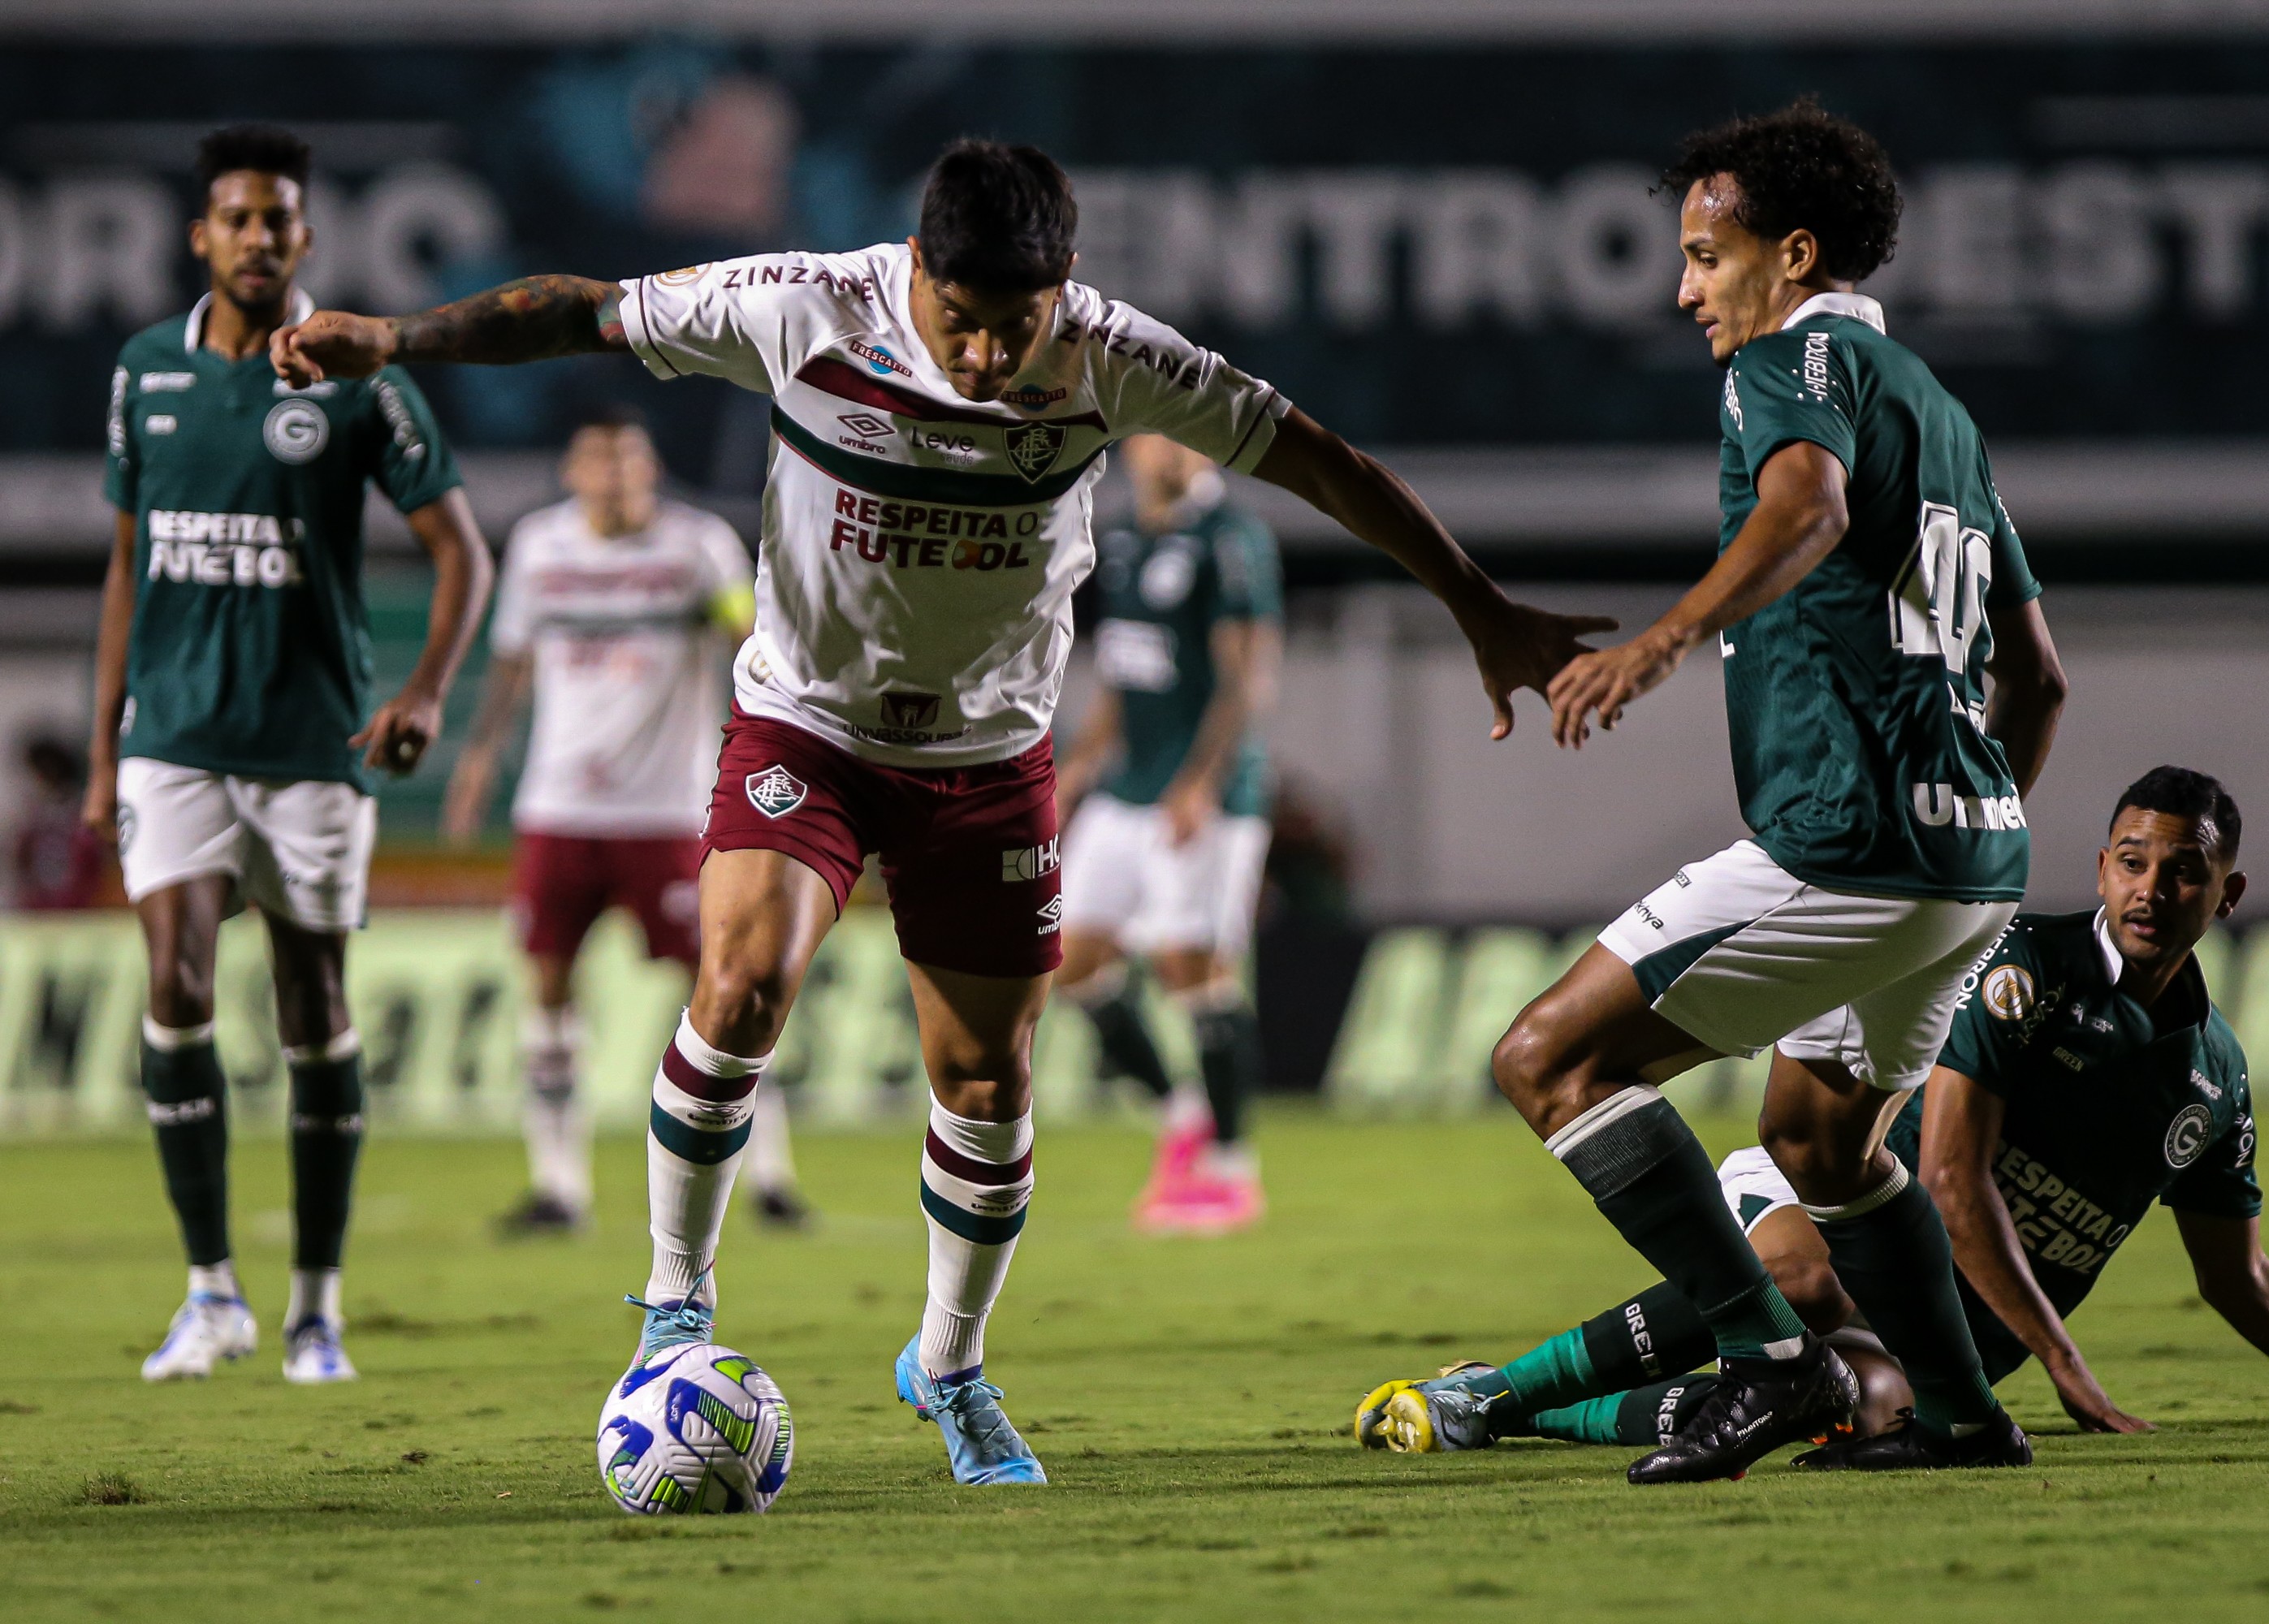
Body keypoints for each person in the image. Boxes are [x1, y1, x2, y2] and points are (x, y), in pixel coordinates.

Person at [273, 138, 1601, 1484]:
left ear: (1065, 288)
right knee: (738, 989)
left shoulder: (1115, 355)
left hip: (988, 755)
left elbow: (1322, 462)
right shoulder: (802, 305)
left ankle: (952, 1369)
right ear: (914, 268)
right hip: (809, 724)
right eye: (958, 322)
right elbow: (579, 310)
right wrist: (393, 336)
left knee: (986, 1079)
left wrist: (1478, 606)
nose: (979, 358)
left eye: (1009, 328)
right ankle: (677, 1302)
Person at [1478, 100, 2072, 1482]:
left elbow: (1801, 510)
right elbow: (2037, 679)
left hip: (1846, 846)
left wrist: (1663, 638)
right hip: (1974, 864)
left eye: (1706, 254)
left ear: (1793, 253)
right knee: (1815, 1138)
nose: (1686, 289)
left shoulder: (1786, 363)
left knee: (1547, 1060)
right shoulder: (1943, 413)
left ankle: (1764, 1360)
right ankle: (1962, 1418)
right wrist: (1973, 834)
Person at [1362, 769, 2269, 1453]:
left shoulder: (2215, 1079)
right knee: (1807, 1281)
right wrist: (2064, 1363)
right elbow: (1951, 1179)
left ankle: (1524, 1414)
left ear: (2227, 894)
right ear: (2101, 869)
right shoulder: (2027, 972)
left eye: (2186, 872)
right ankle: (1494, 1393)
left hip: (1958, 1327)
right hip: (1835, 1203)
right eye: (2132, 862)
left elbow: (2234, 1277)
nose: (2153, 890)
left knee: (1850, 1403)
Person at [86, 125, 491, 1384]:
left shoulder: (359, 379)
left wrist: (426, 691)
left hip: (314, 745)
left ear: (307, 237)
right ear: (201, 236)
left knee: (313, 1007)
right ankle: (212, 1292)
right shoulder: (144, 371)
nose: (259, 237)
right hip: (176, 741)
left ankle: (316, 1306)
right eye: (237, 218)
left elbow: (463, 554)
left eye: (280, 220)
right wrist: (106, 753)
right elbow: (124, 564)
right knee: (179, 982)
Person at [441, 405, 810, 1236]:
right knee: (547, 987)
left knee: (725, 988)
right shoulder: (540, 547)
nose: (615, 475)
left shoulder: (697, 548)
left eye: (629, 460)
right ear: (574, 473)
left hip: (668, 809)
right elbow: (513, 657)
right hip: (559, 804)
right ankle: (559, 1185)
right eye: (599, 461)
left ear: (650, 469)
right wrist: (477, 757)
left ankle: (771, 1175)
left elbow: (750, 638)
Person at [1053, 434, 1281, 1233]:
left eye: (1180, 429)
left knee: (1191, 964)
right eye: (1151, 429)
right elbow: (1126, 669)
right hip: (1127, 788)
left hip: (1206, 794)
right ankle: (1182, 1114)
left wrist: (1201, 781)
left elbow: (1246, 674)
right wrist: (1078, 768)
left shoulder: (1232, 539)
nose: (1165, 446)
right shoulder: (1118, 538)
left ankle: (1231, 1164)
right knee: (1069, 958)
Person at [13, 736, 104, 909]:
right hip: (41, 904)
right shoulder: (35, 813)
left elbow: (93, 857)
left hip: (79, 903)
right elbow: (22, 857)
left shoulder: (81, 809)